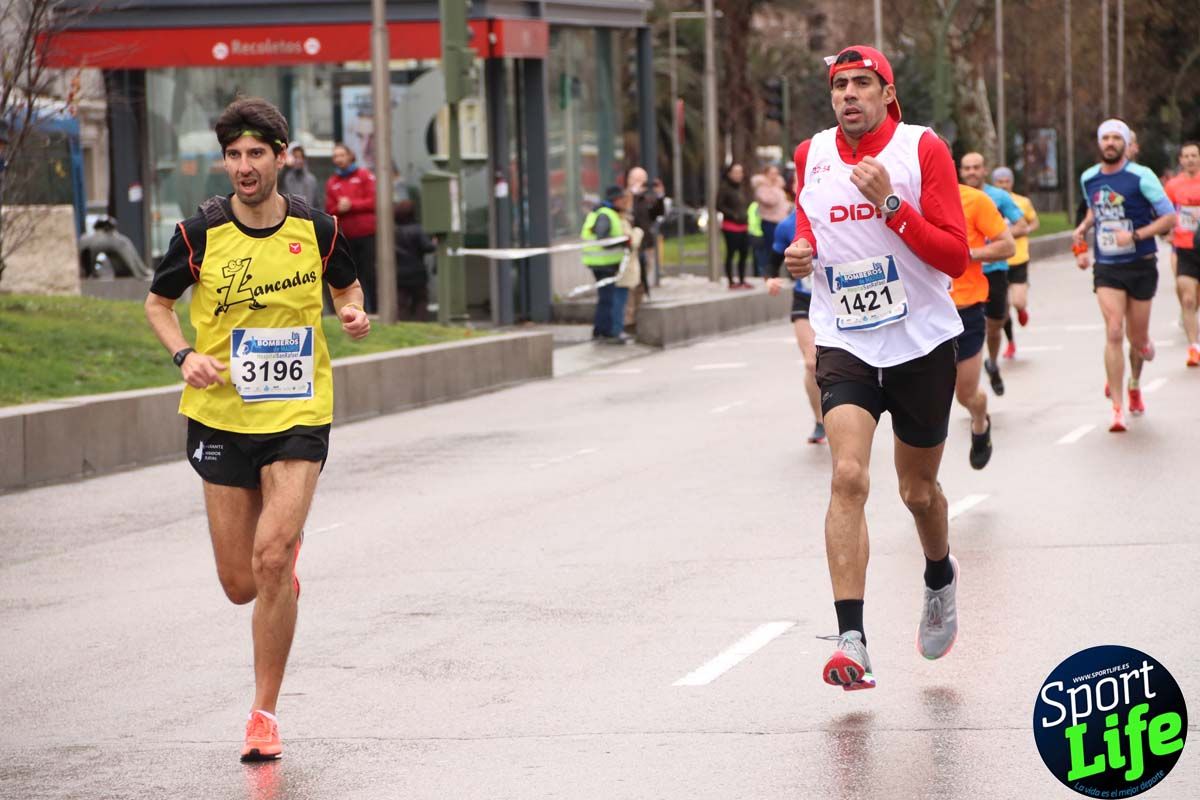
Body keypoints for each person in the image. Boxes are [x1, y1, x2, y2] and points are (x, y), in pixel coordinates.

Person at [143, 97, 369, 762]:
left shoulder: (318, 228)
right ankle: (278, 574)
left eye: (256, 155)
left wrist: (354, 316)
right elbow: (158, 305)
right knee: (241, 583)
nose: (244, 167)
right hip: (222, 415)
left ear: (280, 156)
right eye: (234, 156)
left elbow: (347, 292)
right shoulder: (199, 234)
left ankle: (263, 715)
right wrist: (186, 355)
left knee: (270, 557)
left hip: (299, 412)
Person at [783, 45, 969, 691]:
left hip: (920, 342)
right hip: (847, 339)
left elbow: (955, 258)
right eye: (840, 85)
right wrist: (799, 255)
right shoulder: (812, 154)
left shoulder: (922, 150)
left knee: (917, 493)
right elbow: (809, 226)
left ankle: (939, 573)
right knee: (848, 476)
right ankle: (851, 639)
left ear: (888, 93)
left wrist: (892, 205)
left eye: (863, 83)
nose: (849, 95)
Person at [1072, 119, 1175, 432]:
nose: (1111, 143)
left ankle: (1134, 382)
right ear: (1100, 143)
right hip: (1108, 266)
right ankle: (1117, 408)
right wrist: (1083, 228)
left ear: (1126, 143)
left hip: (1141, 263)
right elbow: (1096, 208)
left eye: (1117, 138)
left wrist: (1136, 235)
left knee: (1137, 339)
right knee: (1114, 330)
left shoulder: (1142, 177)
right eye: (1106, 138)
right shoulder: (1089, 177)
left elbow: (1169, 216)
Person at [952, 182, 1016, 469]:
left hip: (965, 311)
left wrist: (968, 254)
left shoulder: (975, 200)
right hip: (924, 316)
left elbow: (1008, 244)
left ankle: (980, 419)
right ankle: (922, 474)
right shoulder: (904, 200)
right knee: (925, 401)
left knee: (966, 393)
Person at [958, 153, 1028, 396]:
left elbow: (1022, 225)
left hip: (994, 269)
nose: (972, 172)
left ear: (984, 170)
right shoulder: (954, 197)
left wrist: (996, 235)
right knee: (979, 324)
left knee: (994, 325)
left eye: (976, 167)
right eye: (967, 168)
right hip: (965, 277)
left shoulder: (998, 196)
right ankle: (972, 373)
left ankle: (993, 362)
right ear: (960, 171)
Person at [767, 209, 824, 444]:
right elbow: (773, 260)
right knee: (812, 362)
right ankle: (821, 422)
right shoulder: (788, 225)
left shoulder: (840, 208)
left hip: (837, 301)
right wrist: (770, 278)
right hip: (805, 300)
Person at [990, 166, 1039, 359]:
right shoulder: (989, 200)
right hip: (997, 260)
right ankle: (1010, 343)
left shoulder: (1022, 202)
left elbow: (1033, 223)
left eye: (1006, 181)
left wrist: (1019, 231)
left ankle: (1022, 309)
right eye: (999, 181)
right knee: (1003, 308)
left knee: (1017, 301)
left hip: (1018, 257)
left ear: (1011, 182)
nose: (1003, 185)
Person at [325, 143, 378, 313]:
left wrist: (351, 205)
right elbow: (329, 209)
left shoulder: (364, 175)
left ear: (350, 156)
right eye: (335, 156)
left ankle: (375, 311)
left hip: (366, 234)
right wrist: (340, 208)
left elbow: (374, 201)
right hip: (345, 237)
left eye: (341, 155)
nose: (338, 159)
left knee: (369, 275)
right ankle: (354, 310)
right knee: (349, 277)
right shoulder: (332, 182)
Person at [581, 185, 633, 344]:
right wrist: (623, 242)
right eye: (621, 199)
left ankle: (602, 330)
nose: (624, 202)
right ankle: (604, 331)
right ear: (615, 199)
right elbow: (603, 240)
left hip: (603, 262)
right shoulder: (605, 215)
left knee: (606, 297)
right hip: (603, 263)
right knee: (607, 298)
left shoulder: (605, 213)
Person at [1164, 141, 1200, 365]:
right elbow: (1165, 212)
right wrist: (1167, 229)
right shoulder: (1173, 186)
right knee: (1187, 299)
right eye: (1186, 156)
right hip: (1184, 248)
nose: (1190, 159)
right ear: (1180, 160)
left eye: (1194, 155)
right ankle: (1194, 348)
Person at [393, 199, 435, 321]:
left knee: (401, 302)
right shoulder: (417, 229)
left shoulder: (393, 231)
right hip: (417, 271)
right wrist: (434, 242)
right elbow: (428, 247)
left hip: (399, 272)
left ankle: (403, 322)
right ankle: (420, 321)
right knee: (421, 300)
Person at [627, 166, 664, 300]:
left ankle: (638, 300)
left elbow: (657, 214)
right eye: (636, 179)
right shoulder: (626, 197)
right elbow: (631, 215)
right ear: (629, 180)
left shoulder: (646, 197)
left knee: (645, 271)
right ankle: (630, 310)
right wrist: (634, 195)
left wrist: (660, 196)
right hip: (631, 243)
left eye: (642, 180)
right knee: (634, 276)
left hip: (646, 241)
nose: (639, 182)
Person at [78, 216, 152, 279]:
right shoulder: (114, 239)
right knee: (123, 242)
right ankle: (140, 271)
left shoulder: (85, 238)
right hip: (82, 268)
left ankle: (140, 271)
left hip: (81, 270)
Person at [717, 163, 751, 288]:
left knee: (744, 253)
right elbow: (719, 205)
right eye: (736, 172)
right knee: (731, 253)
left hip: (743, 226)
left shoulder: (742, 188)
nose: (738, 175)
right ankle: (731, 281)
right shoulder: (725, 188)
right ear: (729, 173)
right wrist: (733, 215)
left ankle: (742, 279)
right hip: (730, 226)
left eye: (740, 172)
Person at [755, 164, 791, 276]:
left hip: (782, 220)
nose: (775, 176)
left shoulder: (778, 187)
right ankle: (770, 274)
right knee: (772, 249)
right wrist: (773, 188)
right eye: (772, 173)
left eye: (776, 173)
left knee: (786, 248)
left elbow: (782, 201)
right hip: (770, 221)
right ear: (766, 174)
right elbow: (770, 201)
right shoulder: (762, 188)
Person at [280, 145, 322, 210]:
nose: (298, 160)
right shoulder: (284, 177)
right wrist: (286, 166)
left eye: (301, 157)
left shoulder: (311, 180)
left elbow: (317, 205)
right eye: (295, 157)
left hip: (308, 219)